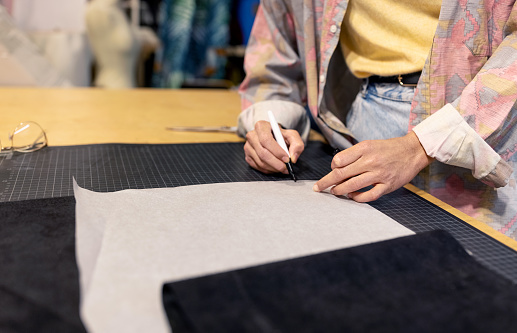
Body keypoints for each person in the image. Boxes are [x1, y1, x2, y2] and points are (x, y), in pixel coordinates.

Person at [236, 0, 517, 239]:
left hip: (492, 132)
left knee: (481, 273)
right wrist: (270, 121)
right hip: (362, 125)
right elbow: (274, 48)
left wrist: (421, 145)